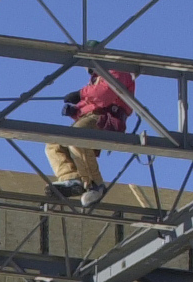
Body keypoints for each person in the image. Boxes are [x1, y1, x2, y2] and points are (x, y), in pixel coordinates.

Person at [46, 66, 136, 208]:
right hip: (93, 117)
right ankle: (71, 178)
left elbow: (105, 93)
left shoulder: (117, 71)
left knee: (76, 137)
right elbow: (91, 102)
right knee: (54, 145)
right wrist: (76, 110)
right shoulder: (95, 80)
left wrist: (80, 94)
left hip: (106, 118)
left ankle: (95, 184)